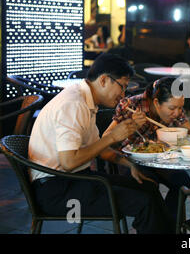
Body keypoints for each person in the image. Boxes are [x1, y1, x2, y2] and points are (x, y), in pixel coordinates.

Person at [28, 53, 174, 234]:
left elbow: (101, 151)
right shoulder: (73, 104)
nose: (123, 95)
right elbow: (69, 162)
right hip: (57, 191)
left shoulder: (85, 100)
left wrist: (129, 165)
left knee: (149, 187)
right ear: (104, 80)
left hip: (76, 179)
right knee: (144, 202)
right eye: (122, 86)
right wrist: (112, 137)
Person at [104, 77, 190, 219]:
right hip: (130, 161)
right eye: (172, 108)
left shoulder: (175, 108)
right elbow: (106, 139)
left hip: (159, 159)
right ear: (157, 102)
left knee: (183, 181)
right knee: (149, 186)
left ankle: (171, 225)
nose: (177, 113)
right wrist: (131, 125)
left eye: (180, 107)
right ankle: (157, 225)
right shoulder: (131, 105)